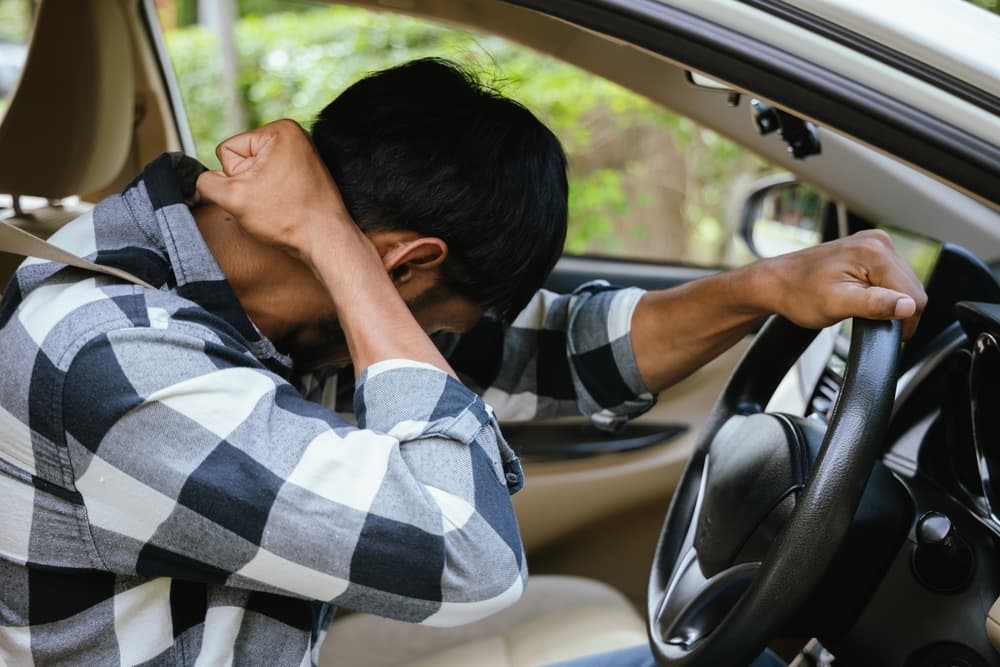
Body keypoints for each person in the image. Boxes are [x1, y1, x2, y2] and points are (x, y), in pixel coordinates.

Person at [0, 59, 924, 666]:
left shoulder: (253, 298)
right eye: (448, 311)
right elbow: (468, 556)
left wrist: (764, 286)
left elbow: (556, 353)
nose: (444, 341)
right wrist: (338, 244)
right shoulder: (114, 352)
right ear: (405, 262)